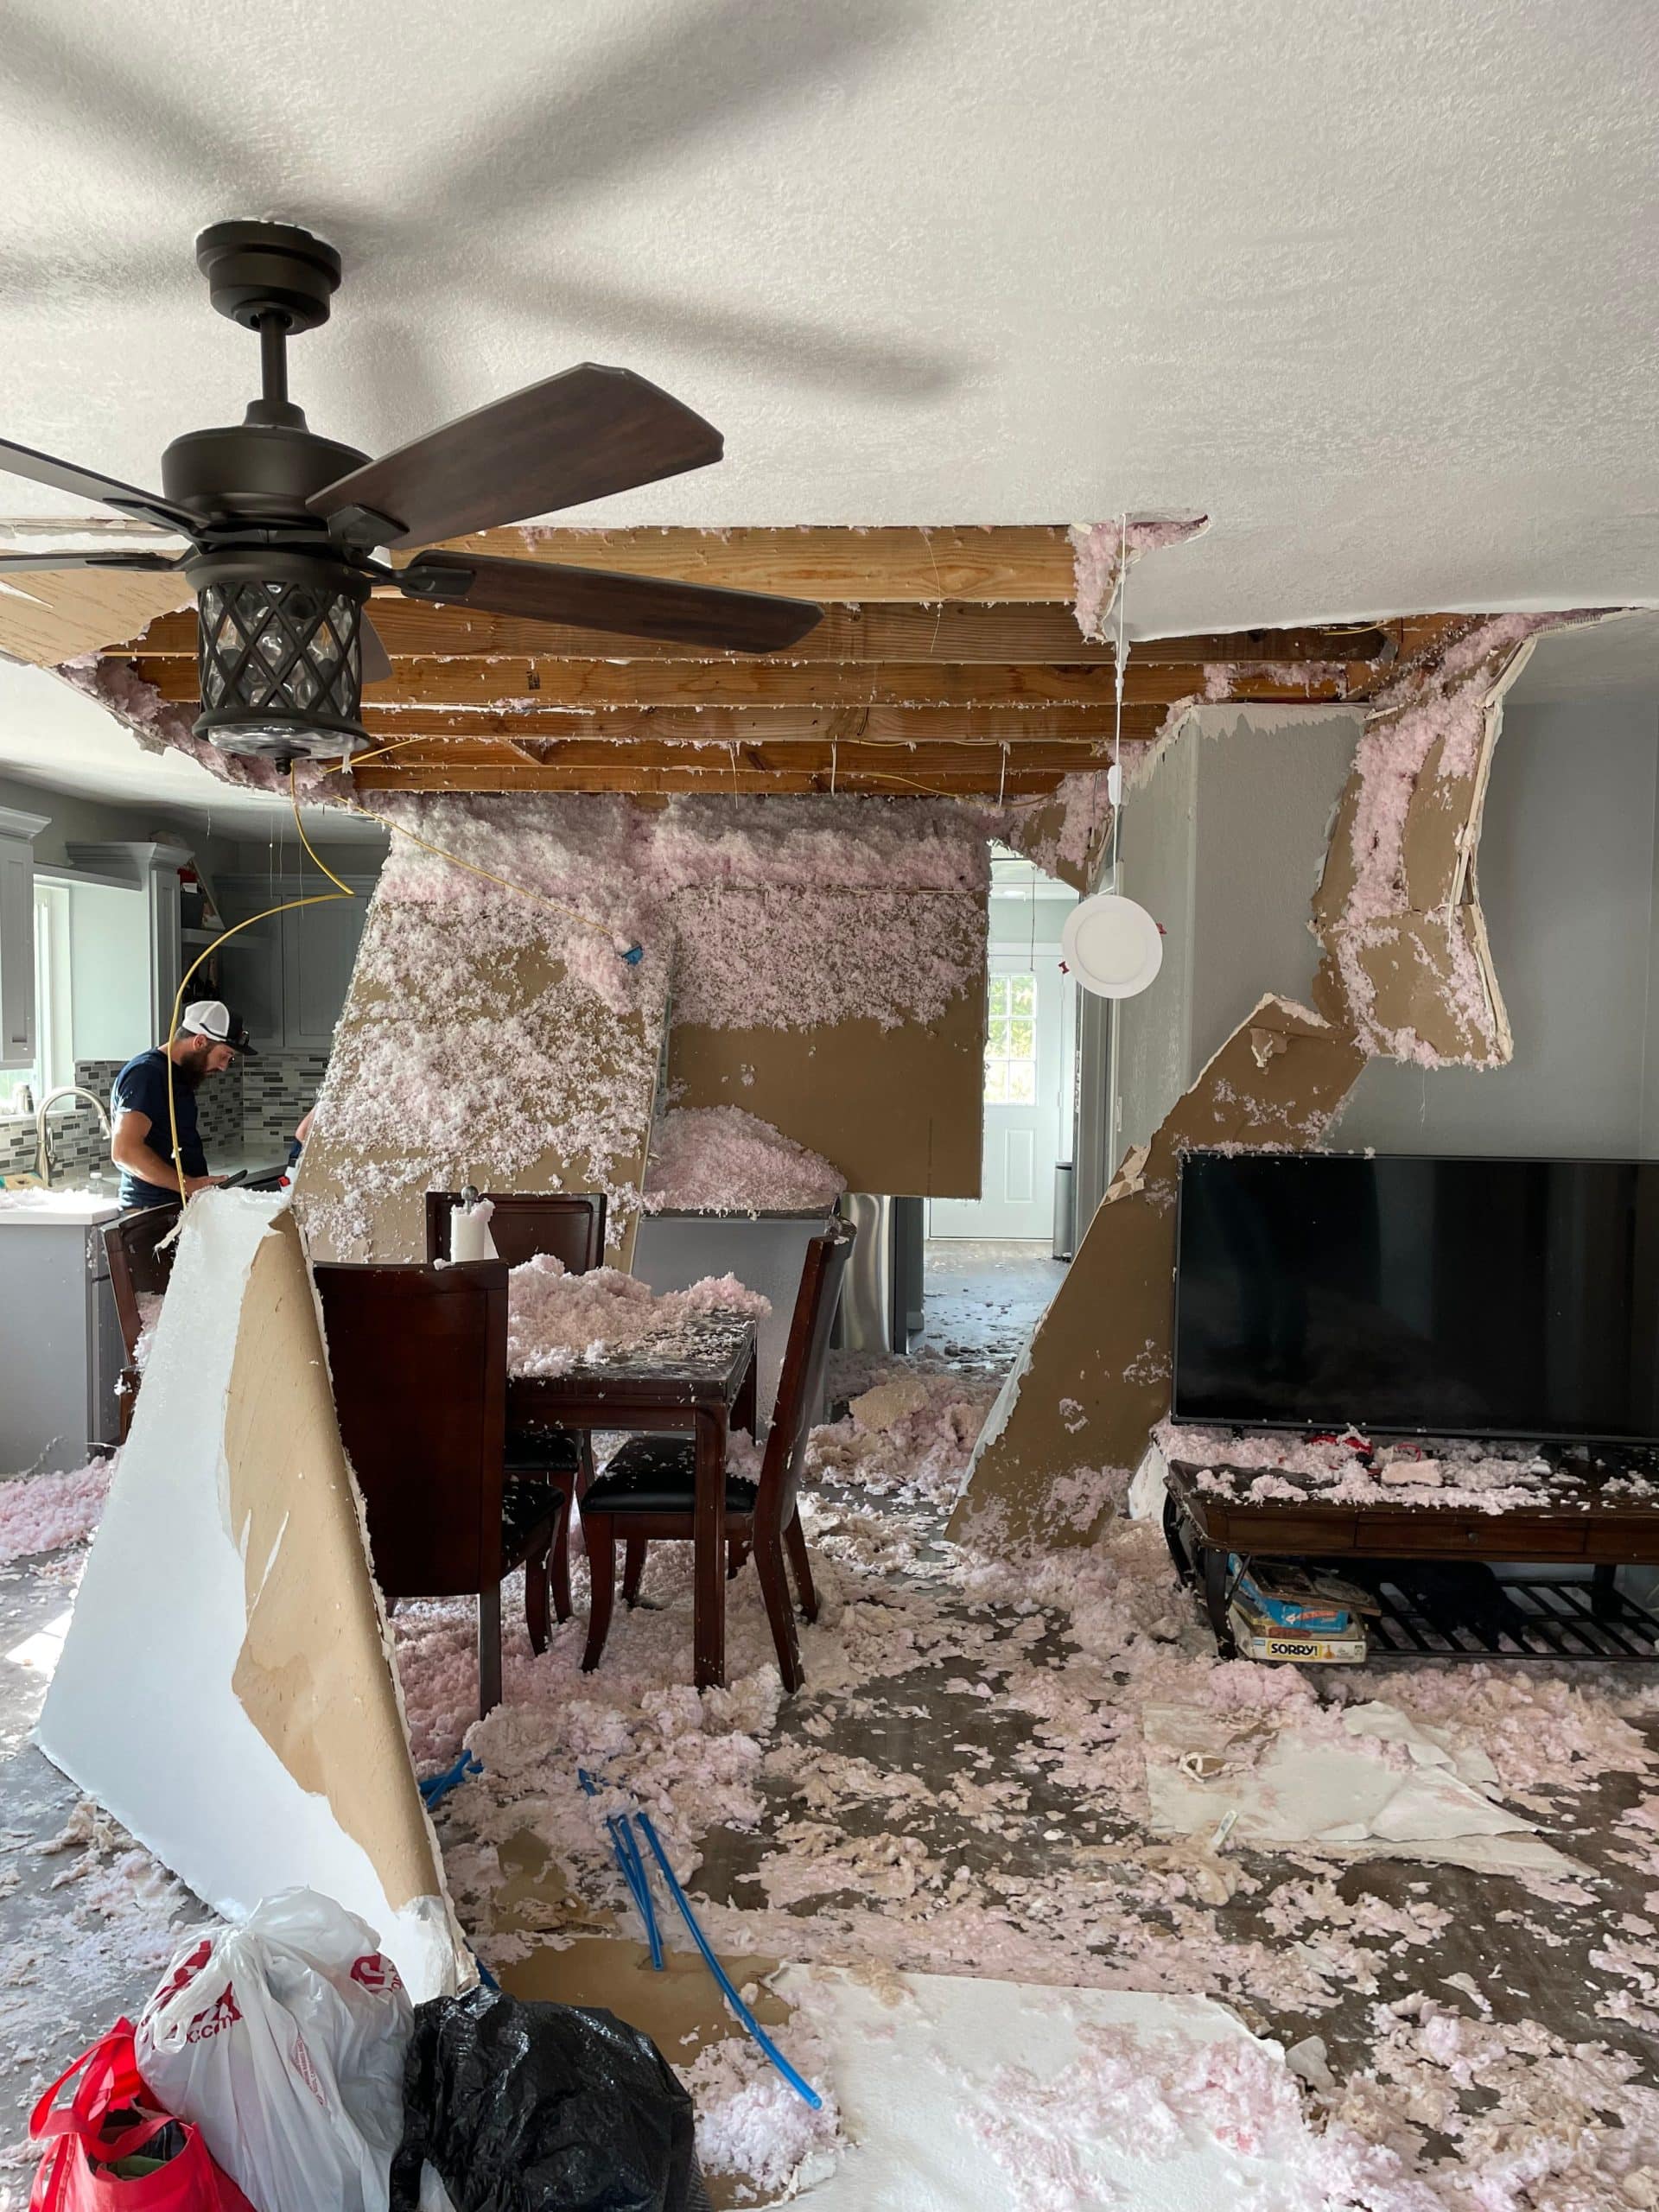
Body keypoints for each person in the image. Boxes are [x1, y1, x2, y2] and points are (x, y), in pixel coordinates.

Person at [109, 1001, 257, 1211]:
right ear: (199, 1042)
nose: (224, 1067)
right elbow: (125, 1151)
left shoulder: (177, 1075)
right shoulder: (147, 1074)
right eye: (224, 1055)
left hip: (171, 1210)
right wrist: (188, 1185)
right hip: (151, 1214)